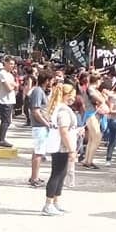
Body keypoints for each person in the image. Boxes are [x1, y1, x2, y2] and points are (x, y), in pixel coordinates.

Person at [41, 83, 81, 216]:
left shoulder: (61, 108)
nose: (73, 99)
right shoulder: (63, 111)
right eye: (72, 96)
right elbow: (63, 131)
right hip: (61, 147)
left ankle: (55, 201)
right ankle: (48, 204)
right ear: (66, 95)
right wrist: (71, 150)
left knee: (62, 174)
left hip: (61, 145)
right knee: (57, 174)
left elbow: (66, 130)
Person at [27, 72, 53, 188]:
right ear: (47, 80)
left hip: (41, 125)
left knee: (37, 152)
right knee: (38, 153)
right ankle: (34, 178)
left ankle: (35, 176)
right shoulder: (38, 91)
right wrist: (46, 123)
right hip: (39, 126)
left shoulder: (40, 91)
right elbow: (36, 111)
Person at [81, 74, 106, 170]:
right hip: (92, 114)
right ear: (97, 80)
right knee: (96, 138)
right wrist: (102, 99)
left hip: (92, 114)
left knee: (92, 139)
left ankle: (87, 159)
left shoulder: (91, 89)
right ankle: (89, 161)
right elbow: (97, 98)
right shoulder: (91, 89)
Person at [0, 60, 18, 147]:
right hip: (4, 100)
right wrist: (13, 85)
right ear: (6, 64)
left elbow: (16, 85)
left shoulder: (10, 75)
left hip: (10, 99)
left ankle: (3, 139)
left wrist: (14, 85)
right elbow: (8, 88)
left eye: (13, 64)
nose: (12, 66)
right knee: (5, 121)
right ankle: (2, 140)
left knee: (8, 121)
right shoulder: (2, 74)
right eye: (10, 64)